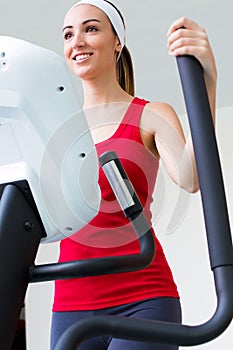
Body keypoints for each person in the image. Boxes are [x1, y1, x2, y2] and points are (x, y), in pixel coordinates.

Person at [51, 0, 217, 349]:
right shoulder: (55, 129)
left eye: (91, 28)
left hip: (143, 299)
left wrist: (208, 82)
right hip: (70, 304)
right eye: (68, 34)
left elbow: (191, 178)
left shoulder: (149, 115)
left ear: (117, 42)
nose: (77, 41)